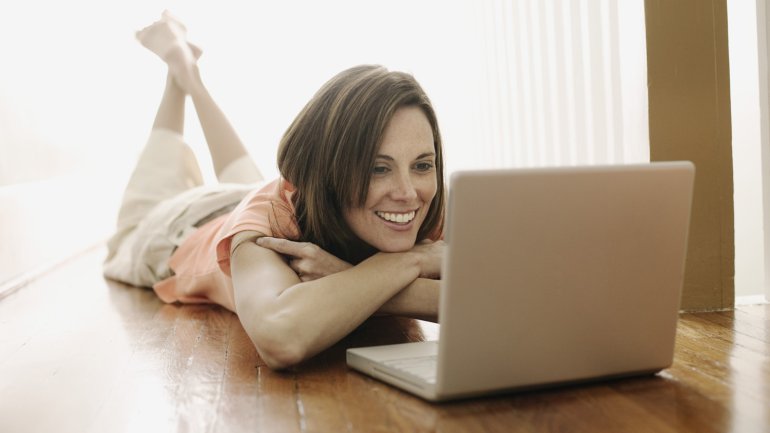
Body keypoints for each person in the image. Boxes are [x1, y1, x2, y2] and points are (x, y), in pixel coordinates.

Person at [104, 11, 446, 369]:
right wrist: (412, 261)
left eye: (423, 164)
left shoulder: (417, 204)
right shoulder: (267, 231)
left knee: (245, 182)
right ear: (329, 173)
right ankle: (180, 71)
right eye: (379, 168)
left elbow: (505, 300)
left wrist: (350, 274)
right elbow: (281, 336)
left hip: (257, 196)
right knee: (159, 169)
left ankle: (191, 75)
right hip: (178, 225)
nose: (408, 192)